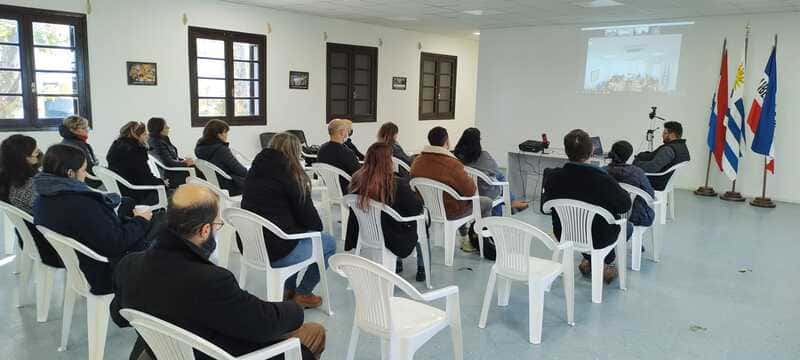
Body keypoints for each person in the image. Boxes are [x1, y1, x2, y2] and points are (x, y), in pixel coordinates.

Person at [111, 184, 325, 360]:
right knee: (314, 331)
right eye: (217, 225)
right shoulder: (210, 280)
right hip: (215, 353)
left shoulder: (129, 265)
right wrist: (294, 309)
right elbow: (263, 324)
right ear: (204, 230)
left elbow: (119, 317)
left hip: (159, 352)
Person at [33, 144, 154, 295]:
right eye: (83, 170)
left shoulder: (43, 197)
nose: (86, 175)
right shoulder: (81, 203)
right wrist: (141, 220)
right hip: (106, 270)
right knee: (167, 234)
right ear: (70, 173)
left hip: (82, 262)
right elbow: (116, 243)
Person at [241, 133, 336, 309]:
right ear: (295, 152)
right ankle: (303, 293)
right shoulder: (292, 177)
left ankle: (287, 290)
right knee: (328, 243)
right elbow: (315, 223)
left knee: (294, 237)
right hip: (277, 252)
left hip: (251, 247)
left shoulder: (255, 171)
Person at [542, 129, 631, 283]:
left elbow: (546, 207)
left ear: (566, 151)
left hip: (564, 233)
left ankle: (590, 260)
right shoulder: (603, 179)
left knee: (586, 231)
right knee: (628, 227)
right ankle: (604, 263)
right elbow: (624, 205)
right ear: (591, 152)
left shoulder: (552, 177)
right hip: (599, 238)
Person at [345, 142, 427, 281]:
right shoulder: (396, 184)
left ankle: (398, 264)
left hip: (365, 232)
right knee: (422, 221)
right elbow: (416, 208)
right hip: (393, 237)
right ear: (388, 161)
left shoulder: (356, 180)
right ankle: (422, 268)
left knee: (396, 214)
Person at [410, 126, 492, 253]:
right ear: (446, 142)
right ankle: (480, 241)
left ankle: (466, 237)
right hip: (451, 211)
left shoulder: (417, 162)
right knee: (486, 202)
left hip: (426, 209)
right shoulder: (452, 164)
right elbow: (470, 191)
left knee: (459, 198)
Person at [0, 135, 62, 268]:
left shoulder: (10, 179)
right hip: (48, 245)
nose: (40, 153)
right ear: (24, 158)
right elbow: (53, 214)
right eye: (36, 152)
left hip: (32, 236)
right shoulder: (27, 187)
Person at [453, 127, 529, 215]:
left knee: (496, 179)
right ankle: (511, 202)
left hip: (465, 191)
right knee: (499, 178)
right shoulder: (483, 156)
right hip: (484, 192)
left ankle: (512, 202)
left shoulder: (456, 155)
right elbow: (495, 172)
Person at [107, 121, 166, 205]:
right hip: (137, 193)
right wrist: (162, 183)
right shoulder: (136, 151)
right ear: (137, 135)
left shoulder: (115, 147)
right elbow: (146, 177)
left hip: (120, 191)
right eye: (145, 134)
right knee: (172, 196)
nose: (147, 136)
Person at [605, 141, 655, 232]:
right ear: (629, 156)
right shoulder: (638, 172)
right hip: (636, 216)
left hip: (609, 215)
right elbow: (650, 194)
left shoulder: (603, 171)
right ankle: (637, 245)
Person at [195, 119, 248, 196]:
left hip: (211, 184)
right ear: (218, 134)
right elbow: (241, 171)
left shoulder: (200, 148)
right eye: (225, 132)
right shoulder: (221, 150)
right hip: (228, 185)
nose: (227, 135)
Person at [633, 121, 690, 191]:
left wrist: (635, 165)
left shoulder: (669, 150)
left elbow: (652, 167)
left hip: (654, 180)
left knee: (622, 175)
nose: (662, 135)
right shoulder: (682, 147)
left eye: (665, 133)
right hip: (660, 178)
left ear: (672, 135)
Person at [147, 117, 195, 188]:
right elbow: (168, 163)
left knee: (197, 167)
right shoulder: (157, 142)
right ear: (159, 128)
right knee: (198, 170)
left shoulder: (161, 139)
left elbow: (171, 157)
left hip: (172, 170)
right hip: (171, 175)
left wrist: (183, 161)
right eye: (165, 126)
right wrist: (185, 163)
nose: (168, 127)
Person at [317, 118, 360, 193]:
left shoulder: (321, 150)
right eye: (347, 130)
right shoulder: (347, 152)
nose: (348, 133)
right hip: (348, 191)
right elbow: (358, 174)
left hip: (330, 190)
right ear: (342, 132)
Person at [58, 115, 102, 188]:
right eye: (83, 128)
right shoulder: (76, 146)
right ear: (72, 130)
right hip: (86, 183)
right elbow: (89, 168)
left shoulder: (69, 142)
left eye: (87, 127)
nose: (87, 129)